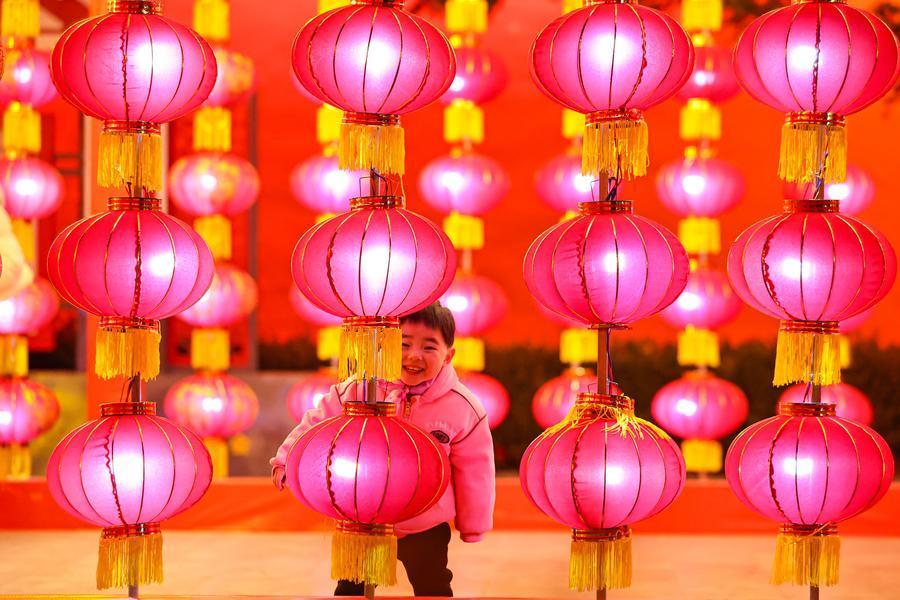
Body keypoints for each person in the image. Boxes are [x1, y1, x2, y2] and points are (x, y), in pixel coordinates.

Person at [270, 302, 496, 597]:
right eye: (403, 344)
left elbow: (475, 470)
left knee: (433, 584)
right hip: (365, 517)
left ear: (449, 355)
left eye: (429, 347)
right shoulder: (362, 388)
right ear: (386, 345)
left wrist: (473, 524)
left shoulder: (462, 407)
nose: (414, 355)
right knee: (351, 585)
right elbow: (317, 422)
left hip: (424, 524)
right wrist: (286, 459)